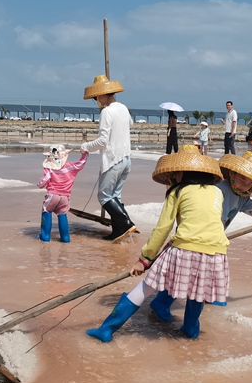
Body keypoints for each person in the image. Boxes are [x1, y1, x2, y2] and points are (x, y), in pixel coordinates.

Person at [86, 145, 227, 342]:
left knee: (146, 287)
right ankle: (190, 333)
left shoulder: (178, 192)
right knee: (197, 294)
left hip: (184, 248)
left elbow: (162, 229)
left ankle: (107, 329)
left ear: (181, 171)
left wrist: (144, 260)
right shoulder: (217, 192)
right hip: (217, 253)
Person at [148, 150, 252, 317]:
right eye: (242, 179)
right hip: (193, 235)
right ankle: (161, 302)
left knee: (204, 270)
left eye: (250, 184)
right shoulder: (217, 189)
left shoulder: (242, 198)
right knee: (184, 272)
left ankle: (206, 296)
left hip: (212, 241)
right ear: (232, 174)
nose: (245, 185)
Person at [81, 74, 136, 241]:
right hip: (126, 159)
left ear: (104, 94)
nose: (97, 99)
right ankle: (119, 230)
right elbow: (131, 125)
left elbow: (103, 140)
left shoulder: (107, 111)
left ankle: (126, 223)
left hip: (113, 159)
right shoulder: (123, 108)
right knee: (115, 196)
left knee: (104, 196)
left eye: (98, 96)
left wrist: (85, 147)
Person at [36, 144, 89, 243]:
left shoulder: (49, 168)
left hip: (52, 196)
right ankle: (65, 238)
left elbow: (45, 180)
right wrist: (85, 153)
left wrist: (39, 184)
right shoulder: (70, 167)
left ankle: (45, 237)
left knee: (46, 211)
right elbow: (81, 163)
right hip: (65, 197)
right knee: (62, 214)